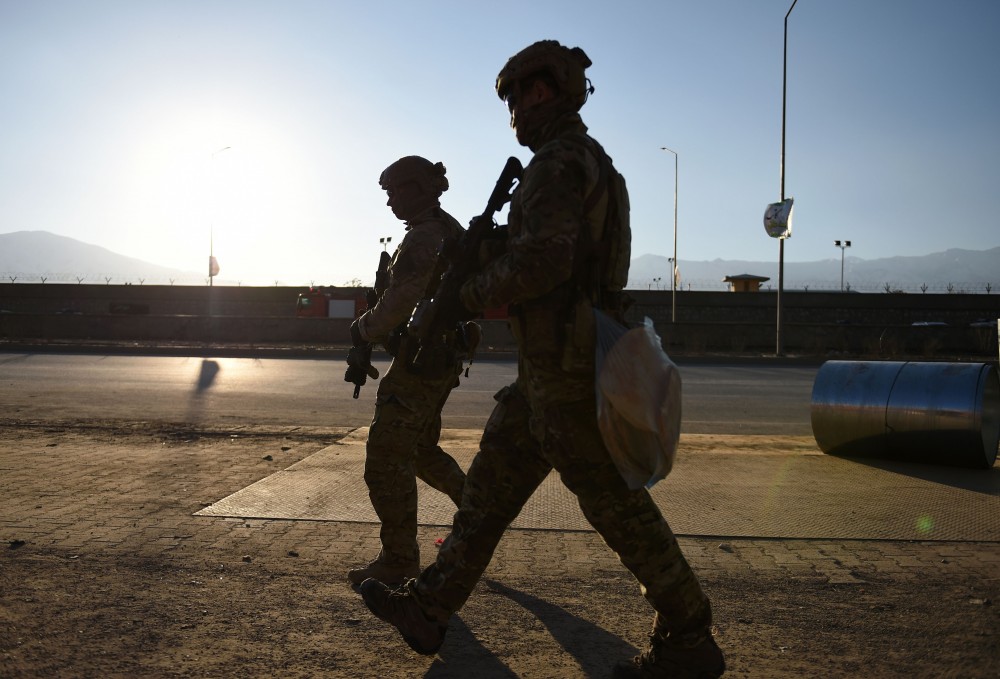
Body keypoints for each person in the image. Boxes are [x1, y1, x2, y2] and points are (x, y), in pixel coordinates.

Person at [359, 41, 725, 678]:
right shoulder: (590, 163)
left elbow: (547, 262)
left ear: (540, 91)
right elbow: (558, 247)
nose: (513, 115)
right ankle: (429, 606)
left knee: (617, 505)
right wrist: (496, 243)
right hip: (547, 375)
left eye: (514, 99)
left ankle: (690, 635)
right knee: (488, 496)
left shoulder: (557, 163)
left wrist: (468, 294)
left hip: (567, 372)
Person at [346, 156, 468, 587]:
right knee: (420, 452)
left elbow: (400, 301)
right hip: (438, 359)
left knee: (384, 461)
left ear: (418, 188)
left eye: (395, 191)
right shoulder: (447, 229)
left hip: (420, 363)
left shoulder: (424, 237)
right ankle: (478, 520)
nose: (390, 201)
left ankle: (399, 559)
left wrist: (362, 329)